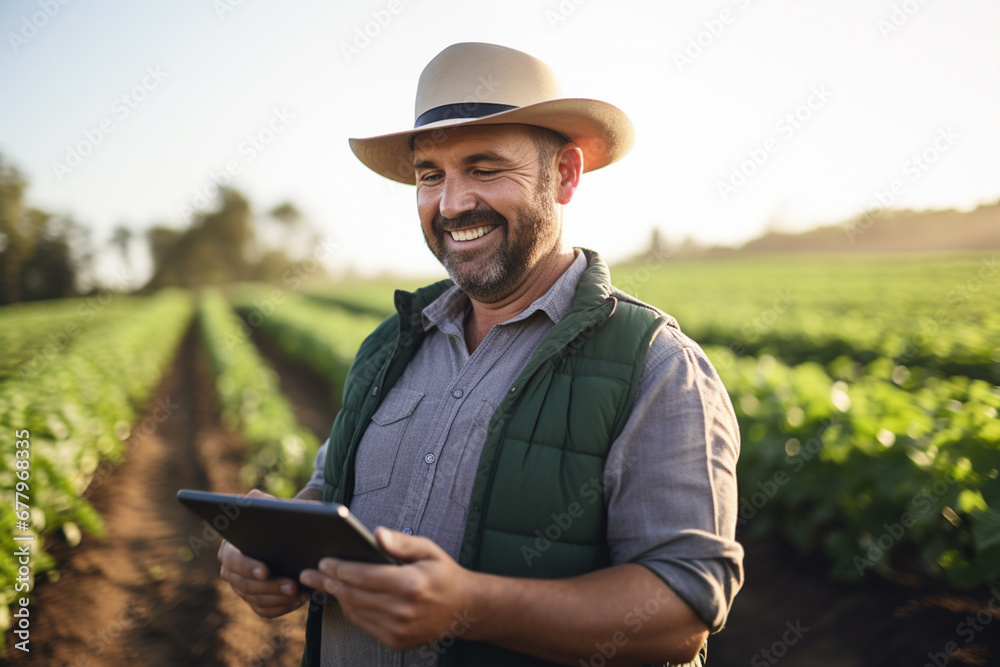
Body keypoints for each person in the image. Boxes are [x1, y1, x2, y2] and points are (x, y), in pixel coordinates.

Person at [219, 42, 743, 667]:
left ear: (566, 176)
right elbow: (333, 489)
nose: (452, 203)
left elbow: (682, 613)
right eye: (430, 175)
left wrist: (471, 605)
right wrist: (276, 549)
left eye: (485, 168)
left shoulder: (657, 366)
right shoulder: (387, 348)